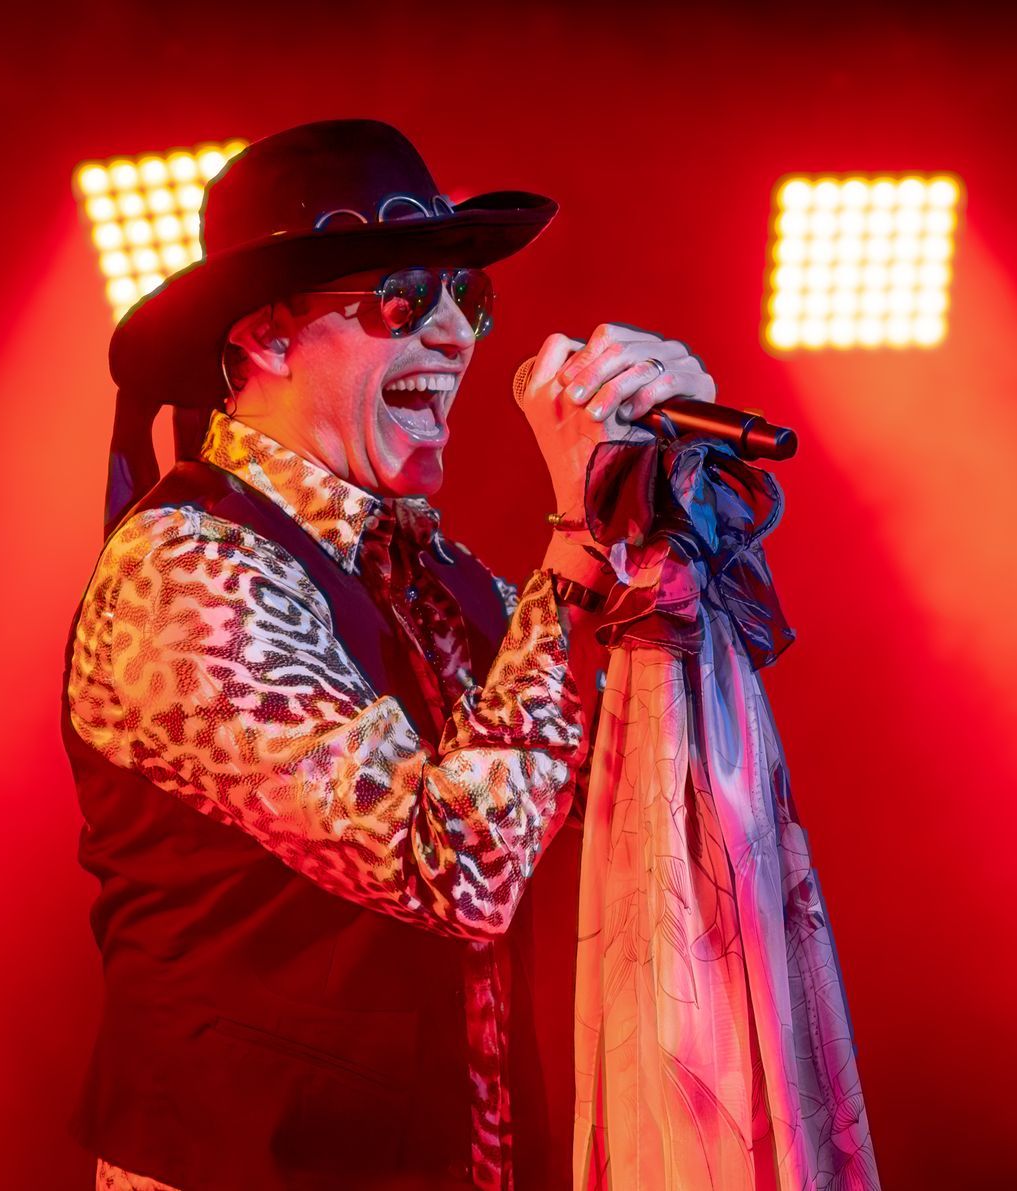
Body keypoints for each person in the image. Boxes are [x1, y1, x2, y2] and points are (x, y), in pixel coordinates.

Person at [64, 118, 878, 1191]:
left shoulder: (426, 568)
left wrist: (657, 522)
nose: (458, 337)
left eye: (469, 300)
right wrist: (577, 546)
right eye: (406, 296)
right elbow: (454, 869)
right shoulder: (189, 568)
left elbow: (597, 794)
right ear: (264, 334)